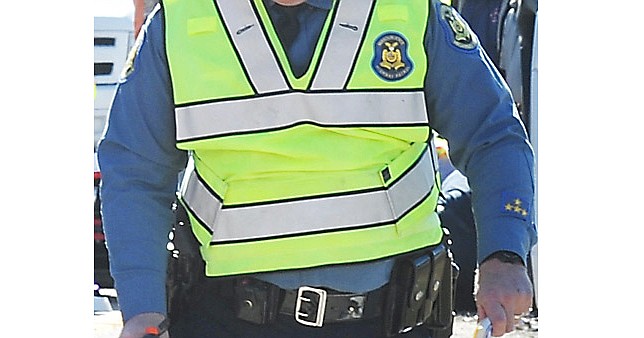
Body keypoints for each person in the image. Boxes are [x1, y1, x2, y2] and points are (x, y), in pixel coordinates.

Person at [97, 1, 537, 337]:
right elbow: (135, 170)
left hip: (395, 320)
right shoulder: (179, 20)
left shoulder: (409, 12)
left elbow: (493, 135)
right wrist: (143, 307)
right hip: (226, 319)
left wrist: (504, 252)